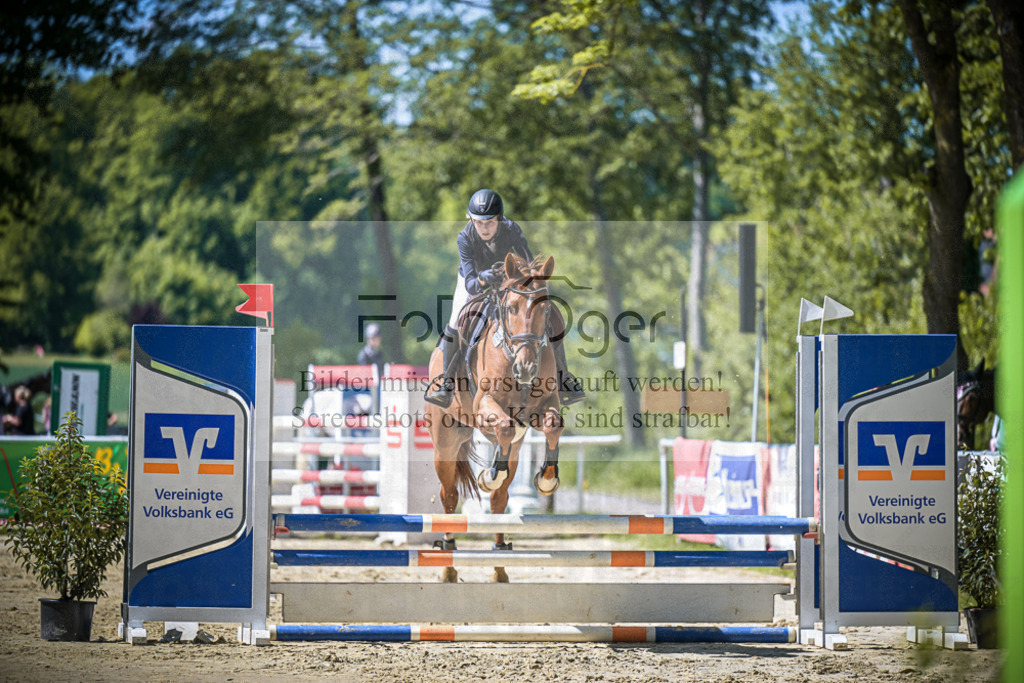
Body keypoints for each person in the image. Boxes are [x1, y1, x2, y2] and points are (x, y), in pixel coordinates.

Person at [425, 188, 585, 408]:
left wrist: (533, 283)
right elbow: (471, 281)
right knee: (457, 320)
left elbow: (529, 262)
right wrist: (484, 279)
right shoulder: (464, 237)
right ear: (471, 220)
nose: (484, 228)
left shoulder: (511, 229)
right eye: (478, 223)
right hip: (473, 283)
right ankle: (447, 382)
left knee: (551, 313)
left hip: (510, 283)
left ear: (499, 219)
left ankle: (564, 376)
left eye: (489, 222)